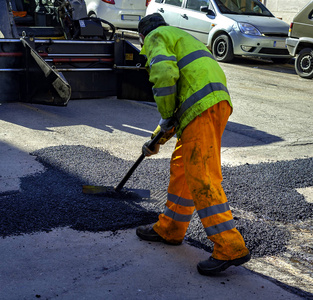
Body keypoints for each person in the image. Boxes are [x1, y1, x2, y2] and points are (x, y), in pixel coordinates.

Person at [136, 13, 250, 275]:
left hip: (202, 107)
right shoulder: (179, 37)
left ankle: (230, 246)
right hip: (211, 103)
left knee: (201, 175)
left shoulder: (155, 37)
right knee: (182, 167)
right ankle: (170, 228)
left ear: (143, 35)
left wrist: (165, 115)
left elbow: (164, 75)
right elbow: (181, 103)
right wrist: (157, 140)